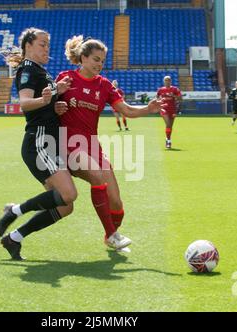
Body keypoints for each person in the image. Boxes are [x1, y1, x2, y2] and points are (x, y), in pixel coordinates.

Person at [55, 35, 165, 251]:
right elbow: (48, 104)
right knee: (97, 177)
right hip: (68, 143)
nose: (99, 64)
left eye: (103, 61)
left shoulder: (104, 85)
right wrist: (54, 105)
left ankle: (109, 236)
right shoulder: (66, 78)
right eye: (96, 59)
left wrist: (147, 110)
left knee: (116, 202)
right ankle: (112, 235)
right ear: (83, 58)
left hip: (92, 145)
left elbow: (125, 109)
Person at [0, 27, 78, 260]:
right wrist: (45, 99)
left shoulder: (41, 70)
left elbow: (45, 105)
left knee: (64, 206)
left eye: (48, 45)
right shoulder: (28, 69)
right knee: (69, 194)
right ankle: (14, 210)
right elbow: (24, 103)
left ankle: (14, 238)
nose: (46, 49)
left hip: (48, 141)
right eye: (42, 44)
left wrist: (56, 99)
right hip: (39, 141)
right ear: (28, 45)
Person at [157, 76, 182, 149]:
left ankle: (168, 138)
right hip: (164, 109)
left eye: (168, 80)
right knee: (168, 124)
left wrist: (173, 95)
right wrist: (159, 102)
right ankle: (168, 141)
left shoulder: (175, 89)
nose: (167, 81)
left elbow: (180, 98)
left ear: (171, 81)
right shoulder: (160, 90)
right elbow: (157, 98)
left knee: (170, 126)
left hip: (173, 109)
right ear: (163, 81)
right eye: (166, 80)